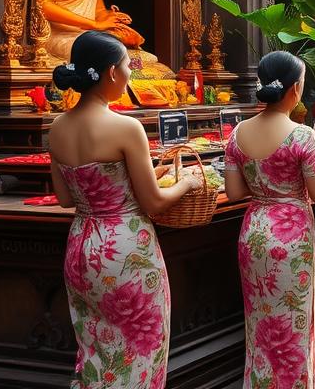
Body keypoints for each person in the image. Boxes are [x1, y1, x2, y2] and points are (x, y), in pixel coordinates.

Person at [47, 31, 203, 389]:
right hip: (125, 250)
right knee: (139, 350)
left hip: (82, 247)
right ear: (111, 73)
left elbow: (66, 198)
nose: (131, 73)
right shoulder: (125, 127)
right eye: (128, 66)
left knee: (95, 352)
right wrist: (187, 184)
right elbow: (153, 202)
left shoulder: (57, 128)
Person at [224, 51, 315, 389]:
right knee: (293, 324)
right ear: (294, 88)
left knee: (260, 323)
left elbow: (233, 192)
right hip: (292, 235)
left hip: (254, 231)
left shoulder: (237, 133)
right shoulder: (301, 135)